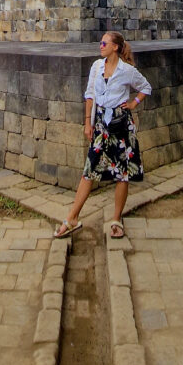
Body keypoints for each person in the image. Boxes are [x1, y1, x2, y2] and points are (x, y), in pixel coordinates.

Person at [54, 30, 152, 239]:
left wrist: (134, 103)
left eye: (104, 43)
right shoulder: (96, 67)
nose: (100, 45)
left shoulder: (127, 71)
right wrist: (87, 123)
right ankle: (72, 217)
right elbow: (90, 95)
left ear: (115, 47)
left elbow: (146, 87)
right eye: (100, 43)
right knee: (89, 170)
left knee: (122, 173)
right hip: (100, 124)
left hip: (121, 125)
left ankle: (116, 219)